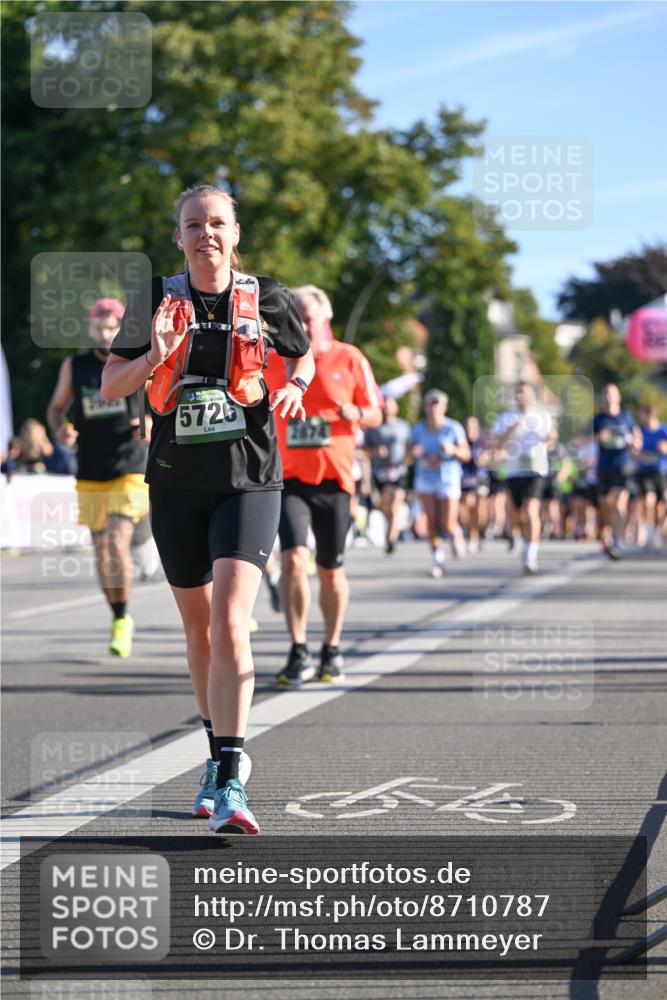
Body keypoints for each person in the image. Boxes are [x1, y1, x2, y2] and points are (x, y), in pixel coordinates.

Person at [101, 184, 314, 834]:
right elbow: (112, 384)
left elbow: (301, 351)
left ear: (235, 231)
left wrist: (296, 387)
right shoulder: (156, 300)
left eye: (216, 222)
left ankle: (230, 772)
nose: (205, 235)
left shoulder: (267, 296)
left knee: (228, 622)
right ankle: (213, 752)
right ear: (179, 237)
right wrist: (157, 354)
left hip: (250, 479)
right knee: (198, 633)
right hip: (174, 483)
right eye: (193, 225)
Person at [264, 284, 383, 687]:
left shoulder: (350, 358)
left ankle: (331, 648)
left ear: (325, 319)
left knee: (331, 570)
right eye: (293, 318)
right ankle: (299, 648)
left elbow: (376, 413)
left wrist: (356, 411)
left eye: (308, 318)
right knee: (294, 559)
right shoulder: (273, 360)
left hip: (334, 477)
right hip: (289, 476)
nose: (300, 325)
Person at [47, 299, 147, 656]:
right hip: (90, 468)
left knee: (116, 541)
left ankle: (122, 619)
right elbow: (57, 408)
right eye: (100, 327)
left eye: (112, 327)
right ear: (90, 328)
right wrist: (61, 431)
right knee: (101, 548)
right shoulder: (75, 367)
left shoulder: (138, 360)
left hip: (130, 465)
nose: (105, 334)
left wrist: (149, 423)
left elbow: (164, 401)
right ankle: (120, 616)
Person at [408, 389, 470, 577]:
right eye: (431, 404)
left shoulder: (453, 428)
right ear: (426, 407)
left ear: (444, 407)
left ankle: (455, 533)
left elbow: (466, 454)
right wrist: (414, 453)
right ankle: (438, 559)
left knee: (447, 521)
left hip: (447, 476)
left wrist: (453, 450)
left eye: (438, 404)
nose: (434, 408)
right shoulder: (418, 429)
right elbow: (407, 457)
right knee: (430, 520)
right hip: (425, 476)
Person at [491, 382, 551, 574]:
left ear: (533, 396)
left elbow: (551, 436)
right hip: (513, 470)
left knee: (531, 510)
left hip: (535, 469)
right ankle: (517, 536)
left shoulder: (542, 416)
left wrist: (549, 438)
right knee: (517, 515)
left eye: (525, 393)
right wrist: (512, 428)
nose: (521, 396)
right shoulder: (505, 417)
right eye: (518, 393)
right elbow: (497, 442)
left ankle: (530, 554)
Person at [592, 384, 639, 560]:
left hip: (623, 466)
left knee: (619, 504)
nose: (608, 397)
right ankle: (606, 535)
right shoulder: (598, 419)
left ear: (618, 397)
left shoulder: (626, 417)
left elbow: (636, 436)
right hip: (604, 467)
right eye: (605, 393)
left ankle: (617, 542)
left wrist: (635, 444)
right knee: (605, 505)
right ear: (602, 398)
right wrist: (598, 437)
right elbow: (582, 440)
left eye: (612, 394)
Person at [364, 397, 411, 553]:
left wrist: (409, 457)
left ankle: (391, 537)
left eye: (390, 406)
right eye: (384, 406)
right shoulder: (373, 428)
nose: (387, 409)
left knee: (395, 502)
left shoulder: (403, 426)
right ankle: (390, 528)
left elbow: (410, 447)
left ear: (396, 409)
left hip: (399, 471)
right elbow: (364, 450)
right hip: (381, 472)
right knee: (386, 506)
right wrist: (375, 452)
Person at [635, 404, 667, 547]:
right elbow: (633, 451)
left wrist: (664, 448)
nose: (644, 419)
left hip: (661, 472)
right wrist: (638, 453)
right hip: (645, 472)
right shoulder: (640, 432)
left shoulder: (663, 431)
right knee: (649, 500)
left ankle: (658, 529)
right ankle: (648, 530)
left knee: (662, 505)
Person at [459, 415, 490, 553]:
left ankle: (480, 530)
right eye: (467, 426)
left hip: (480, 478)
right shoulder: (460, 440)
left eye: (472, 426)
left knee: (480, 509)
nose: (469, 429)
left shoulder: (483, 441)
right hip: (464, 478)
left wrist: (485, 458)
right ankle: (472, 534)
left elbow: (491, 454)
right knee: (467, 504)